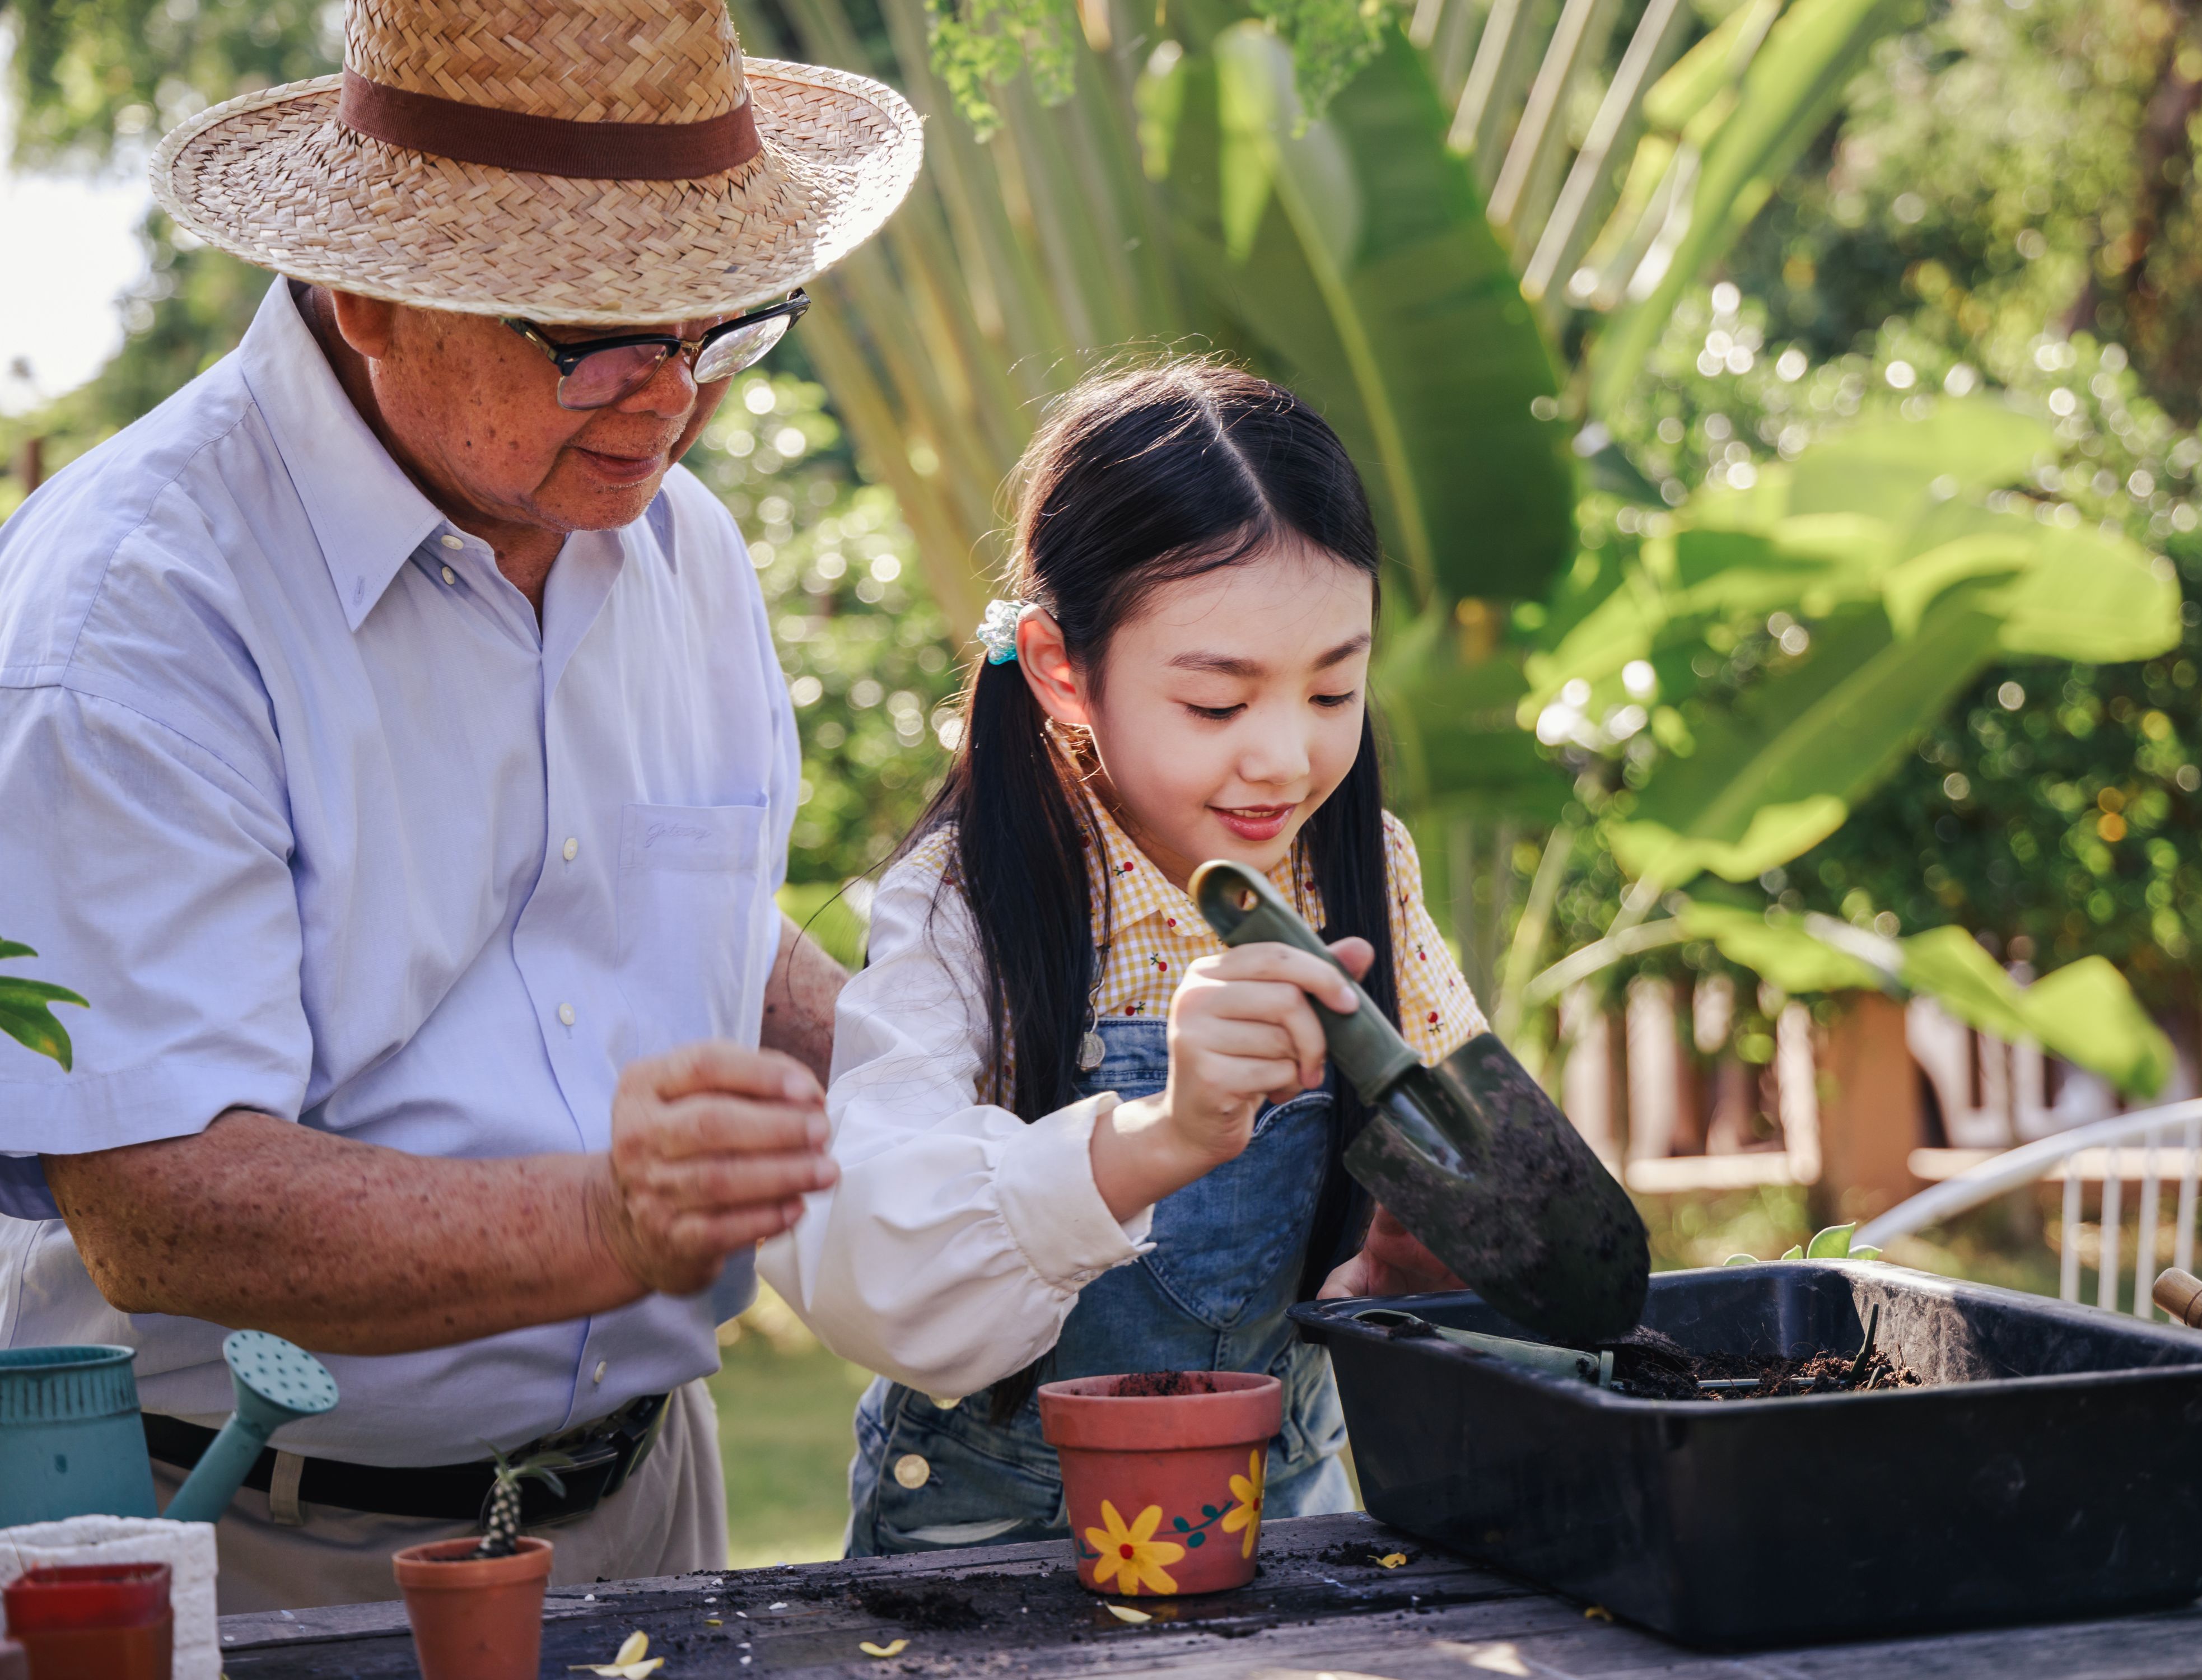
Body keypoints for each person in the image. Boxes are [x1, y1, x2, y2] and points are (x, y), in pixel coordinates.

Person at [0, 0, 919, 1609]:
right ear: (366, 291)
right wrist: (610, 1220)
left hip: (645, 1505)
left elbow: (672, 909)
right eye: (595, 340)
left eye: (724, 328)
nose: (672, 399)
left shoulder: (680, 551)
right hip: (257, 1536)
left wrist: (965, 1066)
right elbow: (161, 1203)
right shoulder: (136, 616)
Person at [757, 362, 1483, 1555]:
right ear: (1059, 669)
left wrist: (1417, 1262)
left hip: (1275, 1529)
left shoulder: (1365, 871)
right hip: (991, 1556)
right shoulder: (970, 899)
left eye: (1333, 689)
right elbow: (869, 1259)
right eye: (1216, 704)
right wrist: (1168, 1134)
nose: (1285, 760)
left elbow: (1483, 1202)